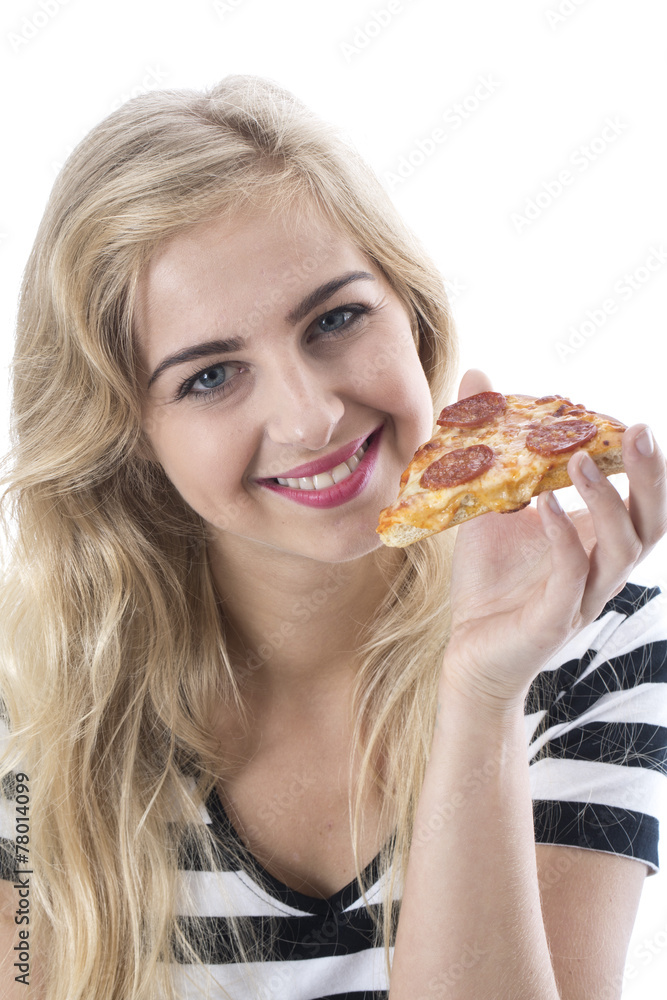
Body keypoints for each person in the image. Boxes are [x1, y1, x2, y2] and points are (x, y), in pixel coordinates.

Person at [0, 74, 666, 1000]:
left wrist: (478, 696)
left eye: (336, 319)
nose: (311, 416)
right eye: (209, 377)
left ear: (413, 312)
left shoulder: (593, 636)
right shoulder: (26, 699)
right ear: (125, 435)